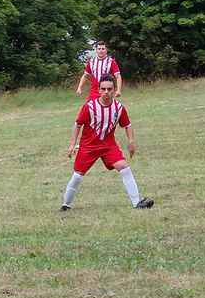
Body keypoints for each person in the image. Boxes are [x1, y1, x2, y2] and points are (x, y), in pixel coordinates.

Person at [60, 74, 153, 211]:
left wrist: (131, 141)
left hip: (108, 146)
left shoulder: (119, 108)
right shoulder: (89, 107)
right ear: (98, 90)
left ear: (115, 89)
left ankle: (137, 203)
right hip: (88, 147)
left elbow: (127, 125)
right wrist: (72, 144)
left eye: (110, 89)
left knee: (125, 168)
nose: (106, 92)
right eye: (103, 89)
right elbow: (77, 125)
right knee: (77, 177)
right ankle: (65, 206)